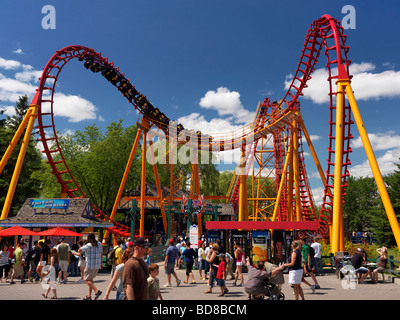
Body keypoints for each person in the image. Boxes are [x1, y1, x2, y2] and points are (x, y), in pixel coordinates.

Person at [73, 233, 103, 300]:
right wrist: (101, 263)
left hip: (89, 265)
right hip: (97, 265)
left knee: (86, 279)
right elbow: (101, 253)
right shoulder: (99, 244)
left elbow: (79, 250)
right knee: (90, 280)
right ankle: (89, 296)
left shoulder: (88, 245)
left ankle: (97, 291)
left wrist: (76, 251)